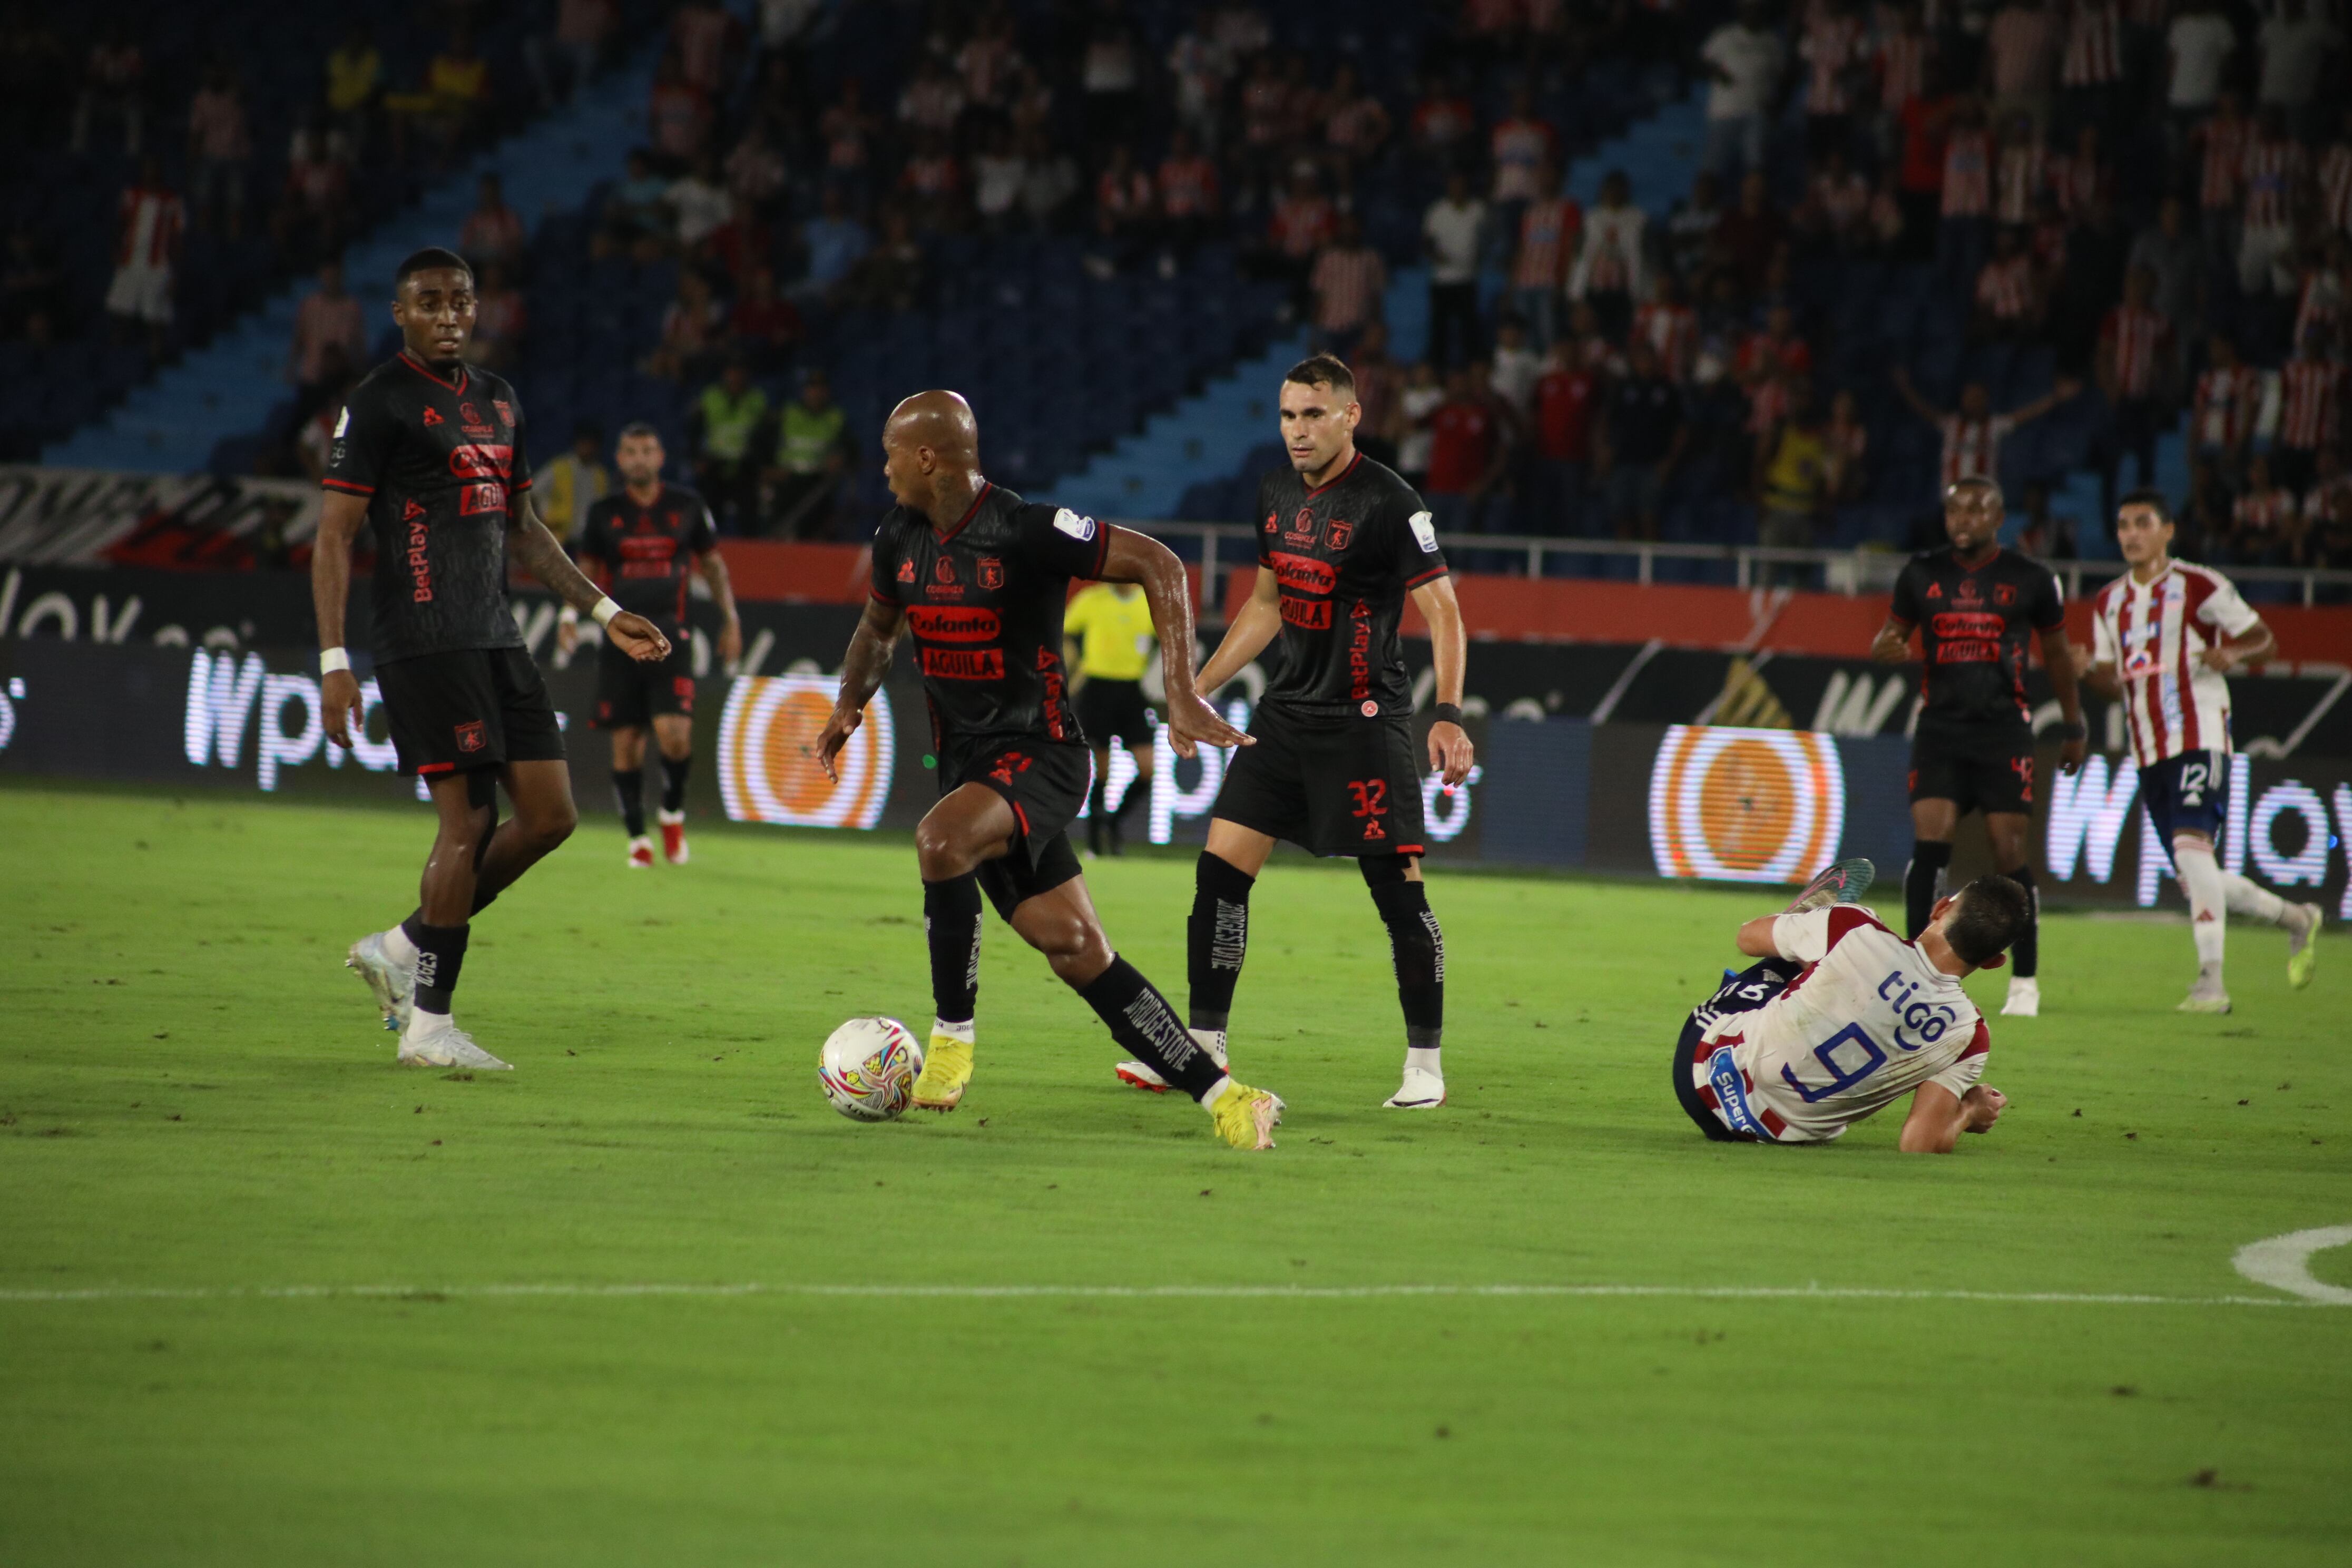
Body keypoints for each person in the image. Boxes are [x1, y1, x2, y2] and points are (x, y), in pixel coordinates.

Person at [814, 391, 1284, 1150]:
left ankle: (952, 1039)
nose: (883, 465)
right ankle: (1227, 1097)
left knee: (940, 842)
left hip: (1044, 754)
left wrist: (1179, 686)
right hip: (973, 768)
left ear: (928, 457)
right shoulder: (898, 535)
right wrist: (847, 704)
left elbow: (1159, 562)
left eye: (891, 451)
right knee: (1076, 949)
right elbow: (876, 631)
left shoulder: (1027, 529)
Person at [319, 248, 673, 1071]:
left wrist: (605, 609)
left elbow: (524, 532)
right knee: (468, 820)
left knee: (552, 815)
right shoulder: (379, 404)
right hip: (423, 637)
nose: (449, 315)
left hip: (496, 633)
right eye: (430, 302)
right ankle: (429, 1027)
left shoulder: (499, 402)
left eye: (461, 301)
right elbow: (333, 538)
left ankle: (405, 945)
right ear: (401, 313)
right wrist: (336, 658)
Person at [1114, 354, 1474, 1111]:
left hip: (1364, 722)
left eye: (1313, 414)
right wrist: (1193, 688)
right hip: (1285, 717)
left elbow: (1443, 611)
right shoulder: (1275, 490)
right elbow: (1264, 605)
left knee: (1397, 894)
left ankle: (1425, 1064)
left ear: (1351, 416)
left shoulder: (1389, 500)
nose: (1298, 430)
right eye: (1287, 415)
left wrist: (1448, 715)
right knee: (1220, 875)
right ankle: (1203, 1052)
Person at [2074, 492, 2324, 1009]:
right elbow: (2112, 683)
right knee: (2197, 875)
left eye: (2143, 523)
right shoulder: (2108, 602)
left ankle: (2211, 981)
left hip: (2199, 735)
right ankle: (2297, 918)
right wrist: (2085, 670)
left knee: (2193, 853)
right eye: (2123, 525)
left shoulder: (2198, 584)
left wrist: (2231, 650)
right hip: (2148, 750)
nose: (2130, 534)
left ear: (2168, 531)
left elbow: (2265, 639)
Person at [1869, 476, 2086, 1018]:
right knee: (1930, 846)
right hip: (1940, 729)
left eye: (1974, 509)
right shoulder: (1921, 574)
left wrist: (2076, 726)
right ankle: (1916, 970)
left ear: (1998, 516)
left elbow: (2058, 657)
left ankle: (2026, 980)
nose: (1962, 519)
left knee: (2009, 851)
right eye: (1954, 510)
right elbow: (1888, 639)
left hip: (2003, 731)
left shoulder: (2031, 579)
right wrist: (1885, 648)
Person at [1674, 864, 2021, 1151]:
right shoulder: (1970, 1036)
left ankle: (1803, 921)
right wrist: (1968, 1112)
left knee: (1793, 963)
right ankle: (1806, 940)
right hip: (1780, 1137)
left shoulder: (1854, 926)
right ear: (1993, 962)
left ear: (1940, 908)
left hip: (1703, 1081)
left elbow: (1747, 938)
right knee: (1832, 973)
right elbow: (1919, 1143)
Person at [561, 424, 743, 868]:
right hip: (621, 639)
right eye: (630, 452)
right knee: (627, 742)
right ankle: (637, 839)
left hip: (671, 636)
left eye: (647, 451)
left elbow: (714, 566)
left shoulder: (688, 507)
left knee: (675, 737)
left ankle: (672, 814)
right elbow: (585, 569)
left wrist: (730, 619)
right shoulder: (604, 512)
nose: (639, 459)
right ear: (619, 461)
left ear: (661, 457)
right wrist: (569, 615)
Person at [1063, 580, 1158, 857]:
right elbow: (1066, 632)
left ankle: (1113, 822)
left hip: (1131, 690)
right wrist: (1075, 667)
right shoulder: (1092, 599)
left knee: (1147, 769)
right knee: (1101, 770)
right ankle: (1095, 843)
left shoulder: (1148, 601)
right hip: (1097, 689)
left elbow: (1168, 637)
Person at [1890, 366, 2079, 489]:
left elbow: (2026, 414)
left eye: (1977, 397)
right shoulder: (1951, 424)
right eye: (1968, 397)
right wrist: (1905, 388)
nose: (1972, 401)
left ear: (1986, 400)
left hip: (1983, 502)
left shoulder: (1994, 426)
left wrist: (2056, 397)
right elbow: (1924, 410)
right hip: (1952, 500)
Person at [535, 421, 611, 542]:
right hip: (559, 536)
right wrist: (546, 517)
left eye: (591, 444)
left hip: (588, 539)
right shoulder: (559, 468)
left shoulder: (600, 475)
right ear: (577, 443)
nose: (587, 448)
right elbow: (533, 493)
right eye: (584, 443)